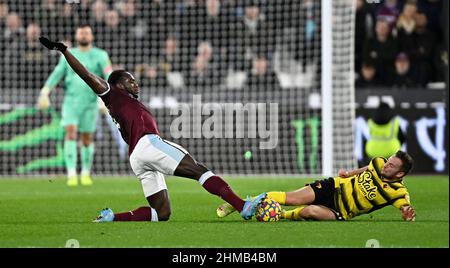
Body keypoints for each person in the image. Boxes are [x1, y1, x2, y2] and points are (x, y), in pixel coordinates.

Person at [38, 36, 266, 222]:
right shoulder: (112, 94)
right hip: (148, 143)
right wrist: (65, 51)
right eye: (131, 80)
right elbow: (86, 75)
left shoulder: (123, 104)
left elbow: (128, 135)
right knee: (199, 170)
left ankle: (110, 218)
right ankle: (242, 205)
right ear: (117, 84)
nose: (136, 84)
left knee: (162, 213)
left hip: (137, 156)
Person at [217, 151, 416, 222]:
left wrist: (407, 213)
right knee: (292, 198)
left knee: (309, 212)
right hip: (333, 187)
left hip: (341, 210)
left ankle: (279, 214)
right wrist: (349, 174)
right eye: (389, 161)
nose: (387, 164)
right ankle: (239, 204)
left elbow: (406, 208)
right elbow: (366, 168)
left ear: (400, 174)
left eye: (392, 165)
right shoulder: (379, 163)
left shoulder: (399, 193)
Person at [37, 25, 113, 187]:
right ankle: (71, 173)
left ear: (91, 36)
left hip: (91, 103)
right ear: (77, 35)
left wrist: (106, 97)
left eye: (87, 32)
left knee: (86, 138)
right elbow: (57, 73)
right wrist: (45, 91)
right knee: (70, 133)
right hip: (71, 102)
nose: (84, 35)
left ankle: (85, 172)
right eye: (81, 33)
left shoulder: (100, 55)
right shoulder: (69, 54)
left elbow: (108, 74)